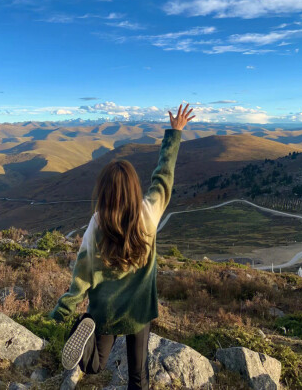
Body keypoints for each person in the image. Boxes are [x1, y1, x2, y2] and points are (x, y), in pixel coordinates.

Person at [49, 103, 195, 389]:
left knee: (94, 365)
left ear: (103, 192)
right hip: (139, 309)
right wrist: (174, 134)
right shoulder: (149, 214)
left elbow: (81, 275)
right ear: (133, 188)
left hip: (106, 310)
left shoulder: (97, 224)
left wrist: (62, 312)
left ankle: (83, 327)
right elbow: (164, 177)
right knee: (138, 374)